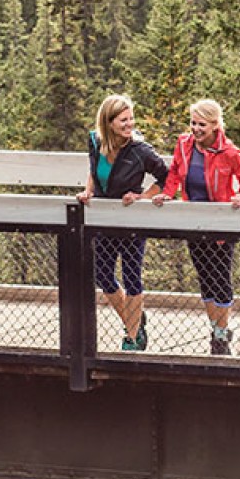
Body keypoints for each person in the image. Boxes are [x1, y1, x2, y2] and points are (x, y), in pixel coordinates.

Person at [154, 98, 240, 354]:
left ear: (214, 125)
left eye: (201, 124)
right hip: (194, 220)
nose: (196, 129)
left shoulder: (229, 152)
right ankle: (216, 328)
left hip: (221, 223)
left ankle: (220, 334)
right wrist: (168, 193)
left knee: (220, 278)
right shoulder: (184, 144)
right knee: (204, 279)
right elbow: (176, 172)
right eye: (193, 123)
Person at [77, 94, 169, 350]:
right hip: (104, 221)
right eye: (123, 120)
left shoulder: (141, 150)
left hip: (131, 221)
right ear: (108, 122)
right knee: (103, 276)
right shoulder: (95, 141)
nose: (129, 125)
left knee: (132, 278)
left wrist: (142, 197)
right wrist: (89, 191)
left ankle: (132, 335)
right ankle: (135, 319)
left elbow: (167, 178)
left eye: (131, 119)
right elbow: (94, 170)